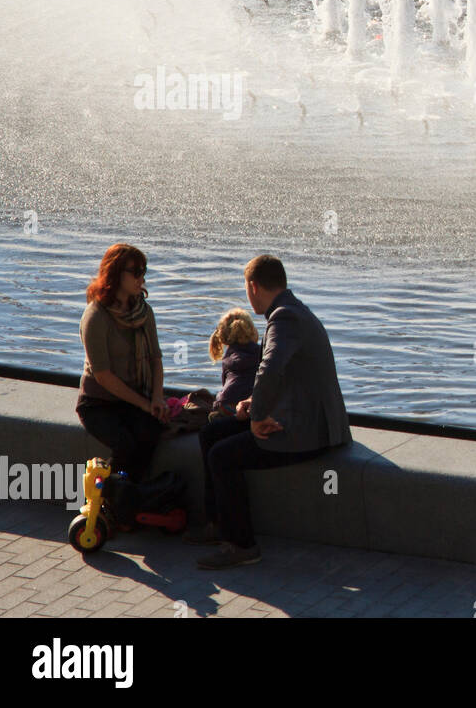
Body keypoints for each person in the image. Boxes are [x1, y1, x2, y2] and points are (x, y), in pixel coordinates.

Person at [188, 254, 351, 569]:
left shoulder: (284, 318)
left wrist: (259, 415)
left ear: (253, 286)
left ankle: (242, 545)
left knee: (222, 456)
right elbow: (286, 377)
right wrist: (252, 402)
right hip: (301, 417)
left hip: (307, 432)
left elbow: (271, 368)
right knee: (211, 432)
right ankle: (217, 525)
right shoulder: (293, 311)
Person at [76, 244, 170, 484]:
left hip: (133, 400)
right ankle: (109, 498)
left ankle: (131, 495)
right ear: (116, 273)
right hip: (98, 404)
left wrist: (157, 398)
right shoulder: (96, 316)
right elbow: (103, 375)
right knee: (125, 443)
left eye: (144, 272)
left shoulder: (143, 312)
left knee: (151, 433)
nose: (142, 278)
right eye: (135, 272)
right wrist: (144, 404)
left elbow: (155, 359)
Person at [208, 308, 262, 420]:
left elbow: (226, 384)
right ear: (252, 331)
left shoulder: (228, 357)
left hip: (225, 404)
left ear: (222, 336)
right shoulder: (262, 352)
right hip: (249, 405)